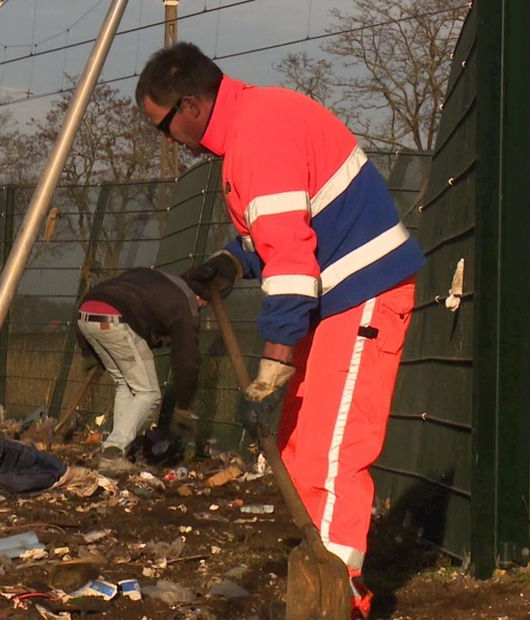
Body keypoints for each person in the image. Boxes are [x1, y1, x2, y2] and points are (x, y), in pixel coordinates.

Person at [136, 42, 424, 617]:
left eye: (165, 125)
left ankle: (338, 601)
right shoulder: (253, 126)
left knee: (333, 454)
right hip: (337, 298)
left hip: (362, 295)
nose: (168, 140)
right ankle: (319, 588)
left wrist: (272, 369)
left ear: (190, 104)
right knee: (297, 448)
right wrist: (231, 260)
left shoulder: (258, 139)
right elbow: (275, 234)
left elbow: (292, 263)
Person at [75, 267, 207, 475]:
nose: (199, 308)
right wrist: (183, 404)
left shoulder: (152, 282)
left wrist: (87, 351)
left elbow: (143, 317)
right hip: (116, 320)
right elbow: (186, 360)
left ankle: (117, 452)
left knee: (125, 384)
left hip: (86, 314)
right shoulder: (185, 302)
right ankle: (113, 450)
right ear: (198, 296)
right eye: (202, 304)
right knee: (149, 392)